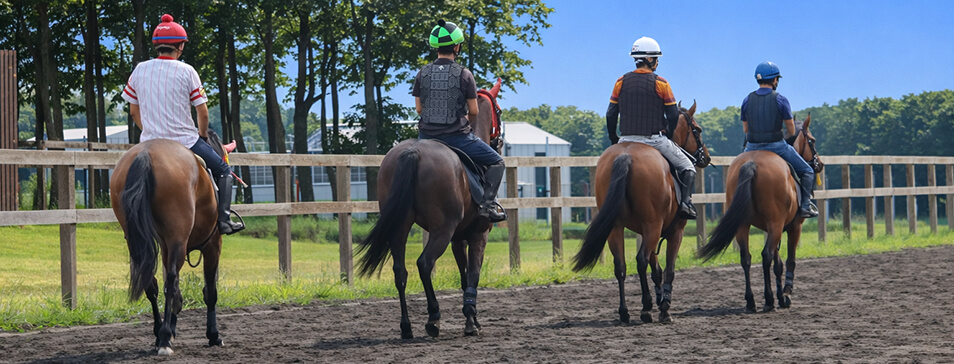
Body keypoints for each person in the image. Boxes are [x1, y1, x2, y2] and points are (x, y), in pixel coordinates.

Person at [121, 14, 245, 234]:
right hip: (185, 140)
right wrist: (203, 135)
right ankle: (224, 221)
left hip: (149, 141)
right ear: (179, 46)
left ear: (157, 45)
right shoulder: (187, 71)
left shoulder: (139, 70)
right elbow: (202, 112)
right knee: (224, 170)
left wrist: (149, 130)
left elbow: (133, 111)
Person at [412, 20, 507, 223]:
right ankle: (487, 206)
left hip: (425, 138)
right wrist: (463, 121)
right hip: (456, 138)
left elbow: (419, 109)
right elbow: (474, 111)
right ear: (456, 47)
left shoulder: (422, 73)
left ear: (436, 47)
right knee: (497, 162)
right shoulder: (464, 74)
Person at [606, 36, 697, 219]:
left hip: (625, 139)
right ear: (649, 59)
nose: (657, 62)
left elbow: (610, 114)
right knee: (688, 166)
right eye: (656, 58)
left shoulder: (620, 82)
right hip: (653, 139)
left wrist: (614, 138)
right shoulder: (661, 83)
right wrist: (669, 134)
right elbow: (673, 115)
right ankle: (686, 204)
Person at [741, 61, 818, 218]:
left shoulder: (747, 100)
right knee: (808, 171)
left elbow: (746, 129)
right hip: (776, 146)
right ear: (775, 79)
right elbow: (791, 130)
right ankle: (805, 207)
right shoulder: (781, 99)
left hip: (751, 148)